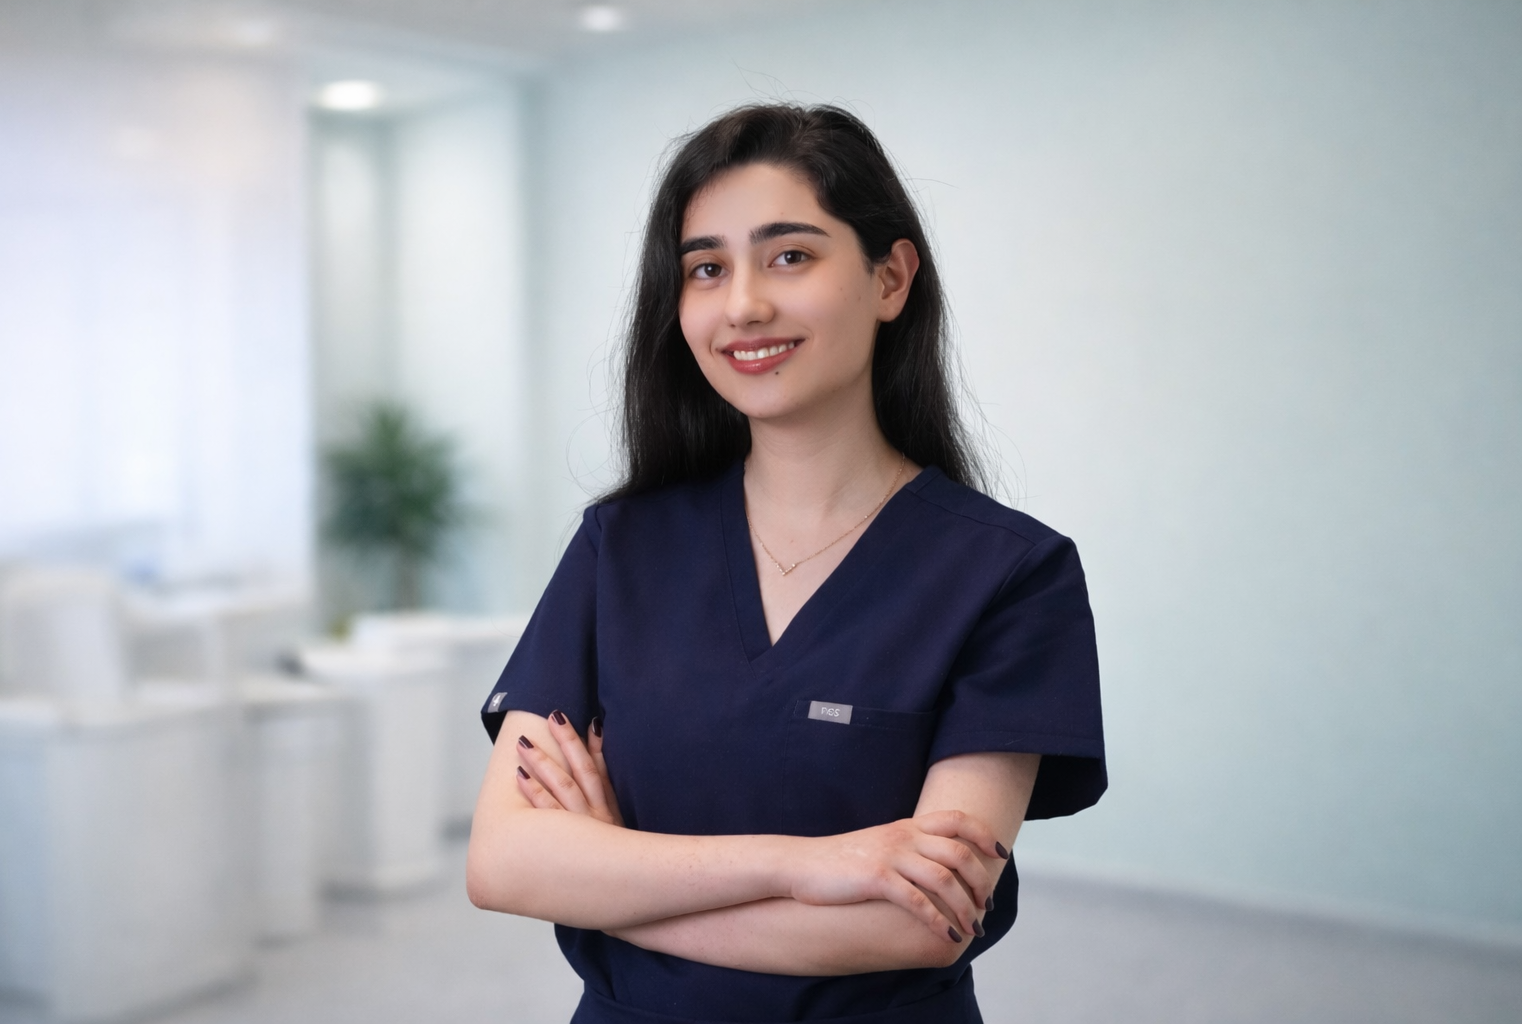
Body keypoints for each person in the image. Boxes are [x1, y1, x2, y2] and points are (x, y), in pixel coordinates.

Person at [467, 103, 1105, 1024]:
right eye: (707, 268)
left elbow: (920, 922)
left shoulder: (1008, 574)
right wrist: (808, 863)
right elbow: (505, 861)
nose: (743, 305)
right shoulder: (620, 549)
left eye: (791, 255)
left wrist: (616, 883)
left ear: (891, 277)